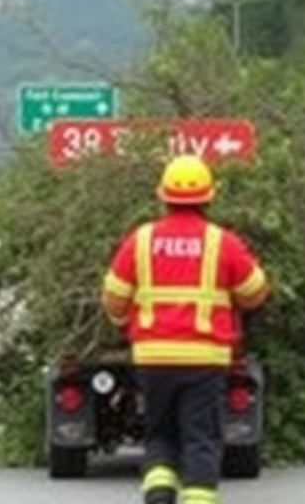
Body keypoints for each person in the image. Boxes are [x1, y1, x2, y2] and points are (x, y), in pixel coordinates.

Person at [100, 154, 271, 504]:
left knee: (159, 434)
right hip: (205, 359)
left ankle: (160, 494)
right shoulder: (222, 242)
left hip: (152, 357)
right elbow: (256, 294)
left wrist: (125, 323)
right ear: (209, 197)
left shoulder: (141, 240)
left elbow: (113, 298)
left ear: (163, 196)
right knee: (200, 438)